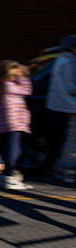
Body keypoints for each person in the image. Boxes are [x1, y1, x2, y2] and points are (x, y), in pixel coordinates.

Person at [0, 59, 33, 190]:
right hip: (15, 120)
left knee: (1, 150)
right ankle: (10, 175)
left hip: (0, 120)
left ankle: (0, 175)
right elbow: (27, 90)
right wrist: (22, 78)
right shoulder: (9, 84)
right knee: (14, 149)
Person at [47, 35, 76, 185]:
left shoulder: (60, 60)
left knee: (69, 139)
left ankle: (61, 168)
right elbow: (71, 88)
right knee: (73, 140)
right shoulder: (69, 62)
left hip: (62, 104)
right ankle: (67, 170)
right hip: (71, 104)